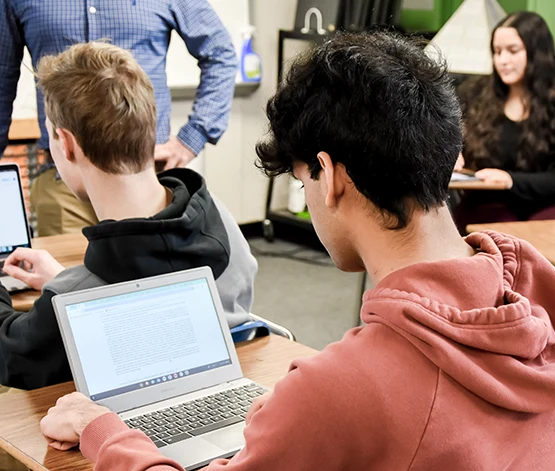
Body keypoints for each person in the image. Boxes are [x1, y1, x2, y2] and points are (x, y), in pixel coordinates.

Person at [39, 32, 555, 470]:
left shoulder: (341, 388)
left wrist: (103, 430)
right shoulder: (535, 287)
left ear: (327, 176)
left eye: (301, 177)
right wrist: (299, 421)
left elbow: (368, 397)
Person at [0, 42, 256, 391]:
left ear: (65, 143)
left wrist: (65, 288)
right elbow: (146, 292)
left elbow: (12, 354)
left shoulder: (76, 299)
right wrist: (63, 279)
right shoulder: (223, 223)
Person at [0, 0, 237, 236]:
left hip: (145, 178)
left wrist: (191, 139)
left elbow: (220, 53)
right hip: (64, 184)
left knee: (152, 272)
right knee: (63, 273)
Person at [454, 11, 555, 230]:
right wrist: (451, 154)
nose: (503, 61)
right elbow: (442, 138)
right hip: (485, 205)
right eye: (497, 52)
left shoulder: (551, 103)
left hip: (546, 205)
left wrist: (510, 180)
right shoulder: (473, 94)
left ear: (537, 52)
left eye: (512, 51)